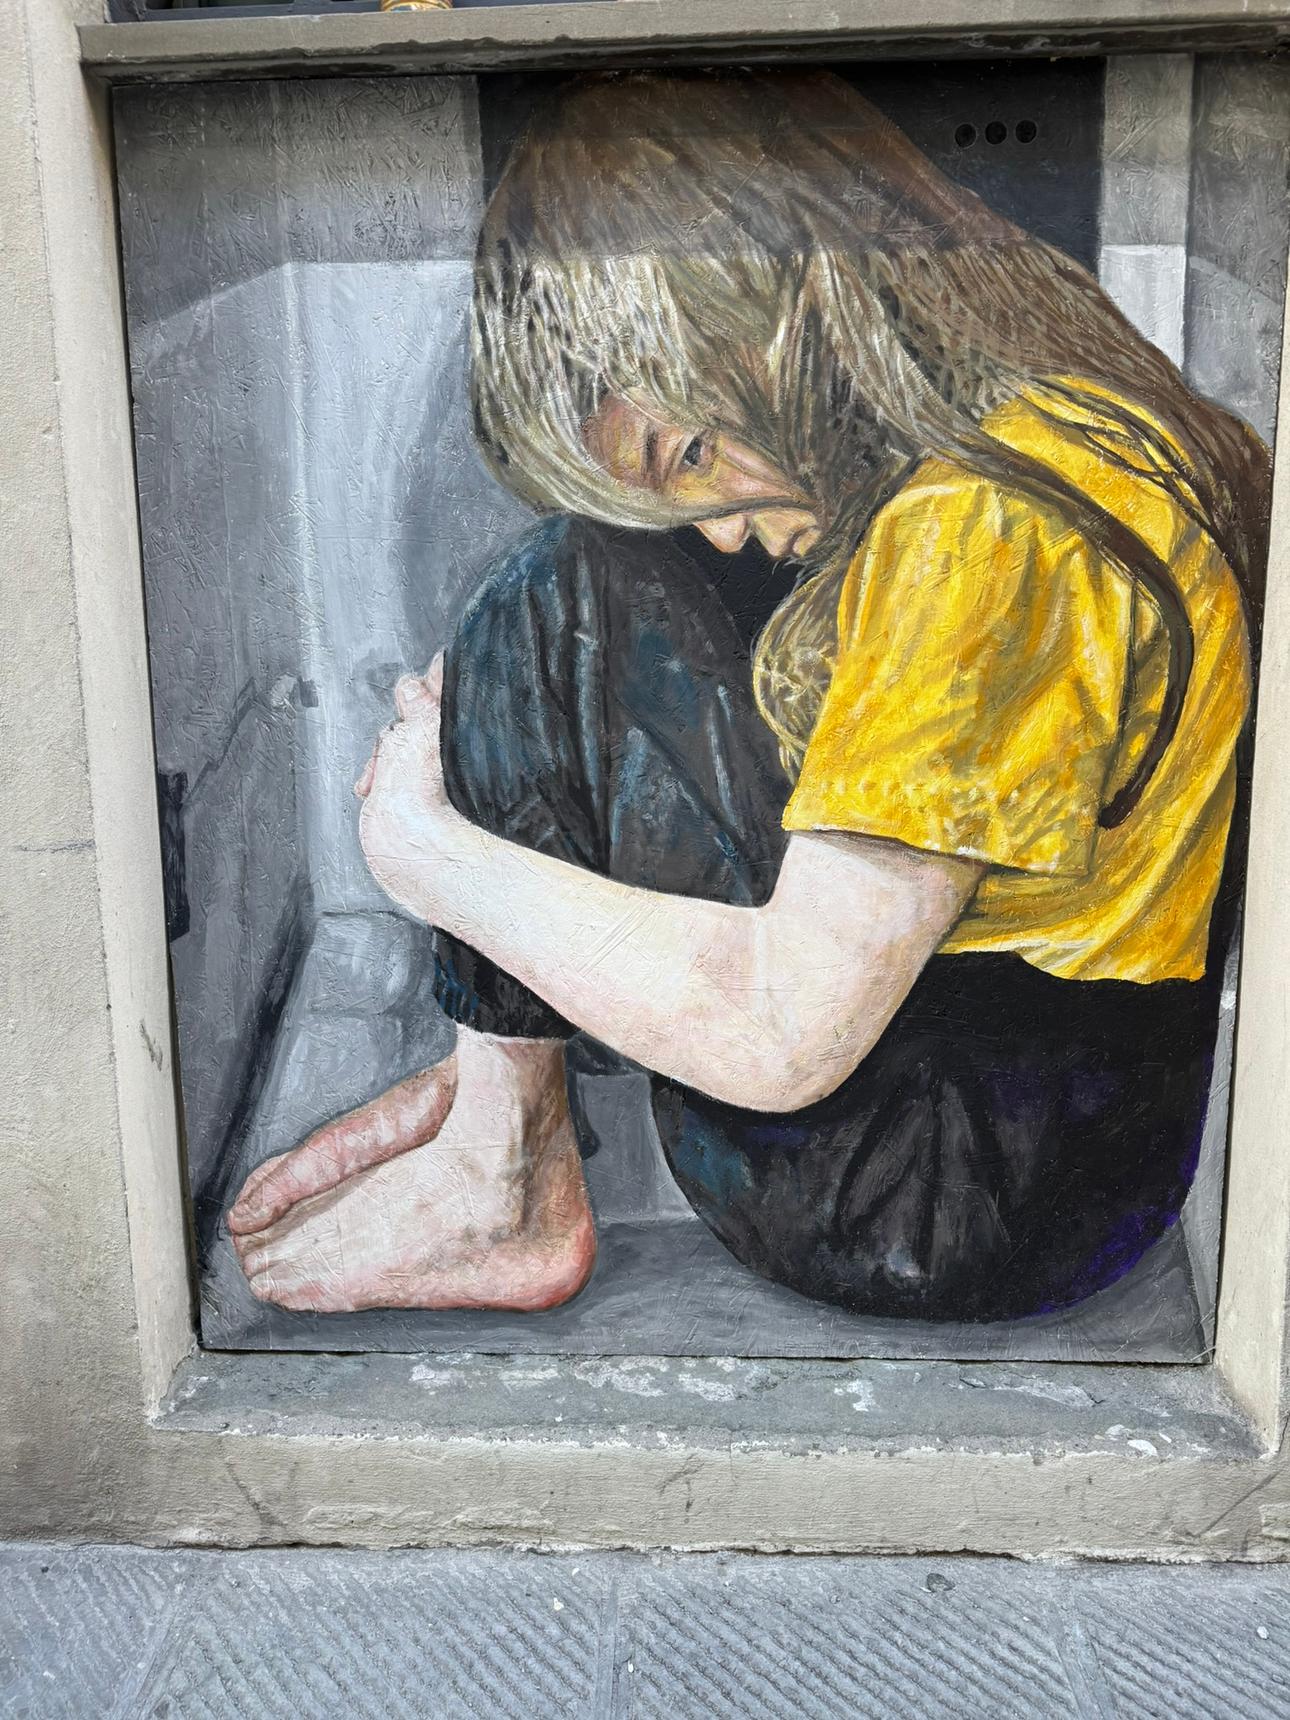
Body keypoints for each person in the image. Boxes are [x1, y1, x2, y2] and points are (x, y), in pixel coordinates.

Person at [227, 70, 1266, 1323]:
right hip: (1084, 1149)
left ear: (773, 296)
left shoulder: (983, 531)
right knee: (620, 582)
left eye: (691, 449)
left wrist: (426, 853)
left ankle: (503, 1165)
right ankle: (498, 1105)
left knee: (563, 589)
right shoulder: (1068, 410)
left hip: (931, 1192)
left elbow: (782, 1031)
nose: (720, 530)